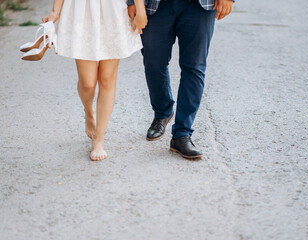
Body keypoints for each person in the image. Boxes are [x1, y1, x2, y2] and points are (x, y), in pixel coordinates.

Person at [127, 0, 234, 160]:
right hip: (156, 5)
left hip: (200, 6)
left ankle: (182, 133)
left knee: (194, 67)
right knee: (154, 62)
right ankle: (163, 112)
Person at [43, 0, 147, 161]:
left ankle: (99, 139)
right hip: (81, 9)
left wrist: (140, 9)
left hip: (113, 9)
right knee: (87, 82)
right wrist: (55, 11)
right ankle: (88, 111)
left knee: (107, 78)